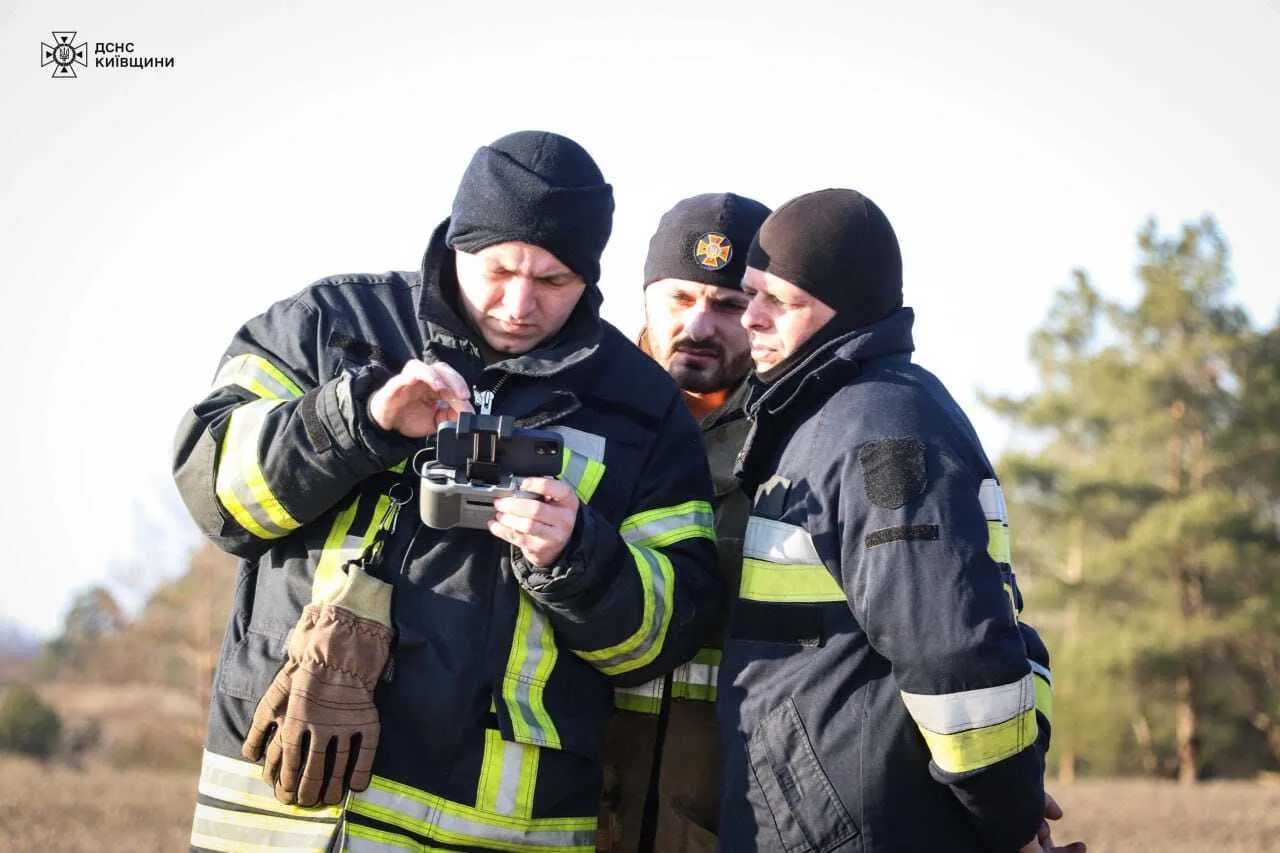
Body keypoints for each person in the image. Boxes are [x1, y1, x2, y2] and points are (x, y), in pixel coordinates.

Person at [172, 130, 723, 853]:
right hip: (292, 818)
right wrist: (357, 419)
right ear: (456, 242)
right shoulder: (326, 328)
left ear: (591, 276)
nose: (519, 303)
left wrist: (577, 556)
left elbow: (665, 630)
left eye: (554, 280)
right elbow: (217, 491)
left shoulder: (642, 409)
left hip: (500, 832)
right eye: (498, 269)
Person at [717, 188, 1085, 853]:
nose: (752, 319)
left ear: (846, 310)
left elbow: (955, 655)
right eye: (751, 293)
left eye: (784, 300)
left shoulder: (880, 430)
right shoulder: (828, 418)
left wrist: (1009, 816)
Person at [596, 193, 771, 853]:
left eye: (728, 306)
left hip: (724, 811)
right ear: (644, 296)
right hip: (573, 803)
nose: (700, 325)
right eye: (679, 298)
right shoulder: (581, 410)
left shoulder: (806, 437)